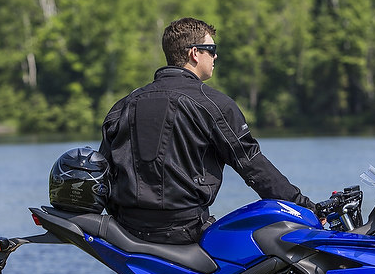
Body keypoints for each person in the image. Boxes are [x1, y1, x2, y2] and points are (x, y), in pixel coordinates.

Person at [98, 17, 314, 245]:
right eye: (211, 50)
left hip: (125, 232)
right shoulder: (214, 105)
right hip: (185, 231)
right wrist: (304, 207)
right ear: (194, 53)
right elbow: (253, 166)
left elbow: (103, 170)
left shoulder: (124, 105)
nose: (215, 56)